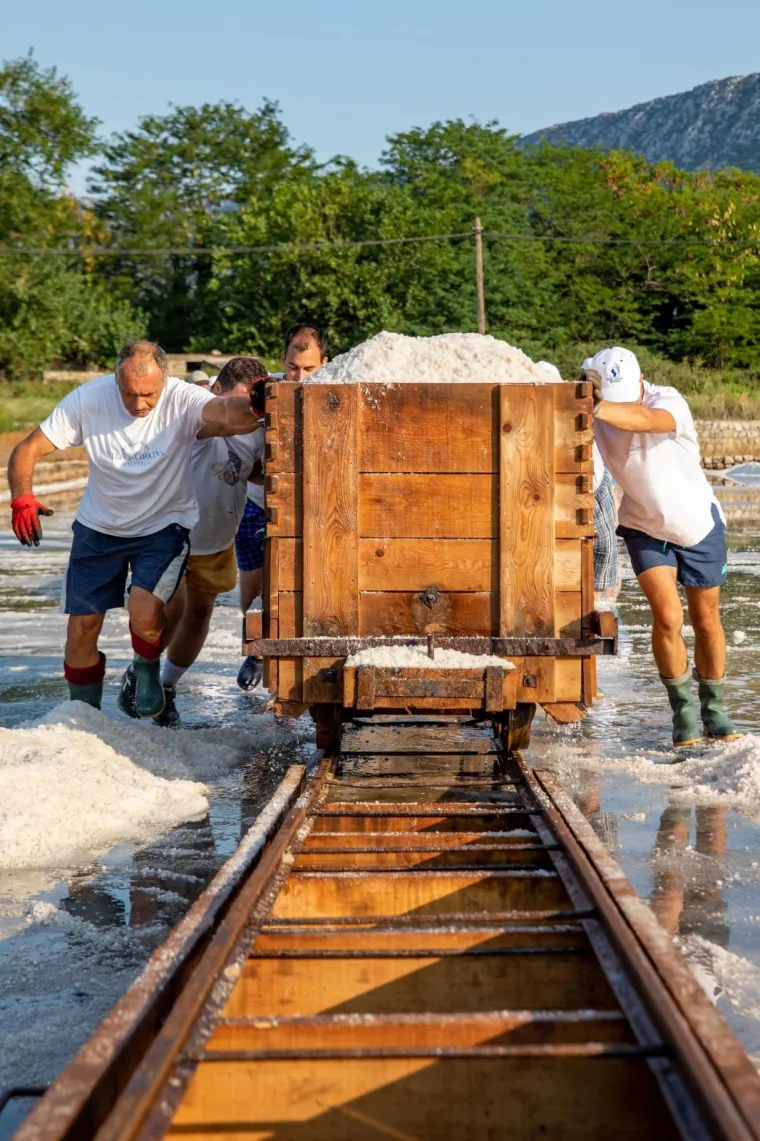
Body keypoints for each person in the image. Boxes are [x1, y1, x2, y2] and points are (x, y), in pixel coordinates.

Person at [7, 341, 264, 720]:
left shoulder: (181, 398)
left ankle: (147, 669)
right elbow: (27, 449)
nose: (139, 404)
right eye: (129, 393)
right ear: (115, 380)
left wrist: (259, 403)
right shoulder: (88, 399)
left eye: (148, 395)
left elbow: (227, 410)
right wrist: (22, 497)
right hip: (99, 527)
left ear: (165, 381)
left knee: (146, 615)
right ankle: (83, 718)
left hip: (162, 527)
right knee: (81, 628)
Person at [586, 346, 739, 748]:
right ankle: (683, 713)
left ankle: (715, 710)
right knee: (668, 617)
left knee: (706, 621)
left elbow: (646, 420)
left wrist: (597, 406)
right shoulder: (593, 412)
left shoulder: (667, 400)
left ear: (640, 381)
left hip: (697, 524)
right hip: (643, 526)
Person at [158, 357, 267, 725]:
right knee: (167, 615)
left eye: (246, 406)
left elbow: (253, 471)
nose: (240, 413)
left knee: (200, 613)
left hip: (216, 540)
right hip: (174, 535)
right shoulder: (199, 417)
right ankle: (140, 673)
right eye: (235, 403)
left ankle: (167, 688)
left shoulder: (254, 428)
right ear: (215, 392)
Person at [236, 322, 328, 690]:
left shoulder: (335, 391)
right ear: (282, 360)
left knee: (297, 584)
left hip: (309, 509)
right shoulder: (265, 392)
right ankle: (254, 646)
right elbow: (248, 466)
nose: (300, 377)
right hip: (259, 503)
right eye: (293, 368)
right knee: (252, 590)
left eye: (309, 369)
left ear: (326, 363)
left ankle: (284, 654)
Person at [538, 360, 620, 603]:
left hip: (585, 489)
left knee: (600, 547)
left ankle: (591, 605)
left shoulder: (580, 426)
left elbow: (604, 541)